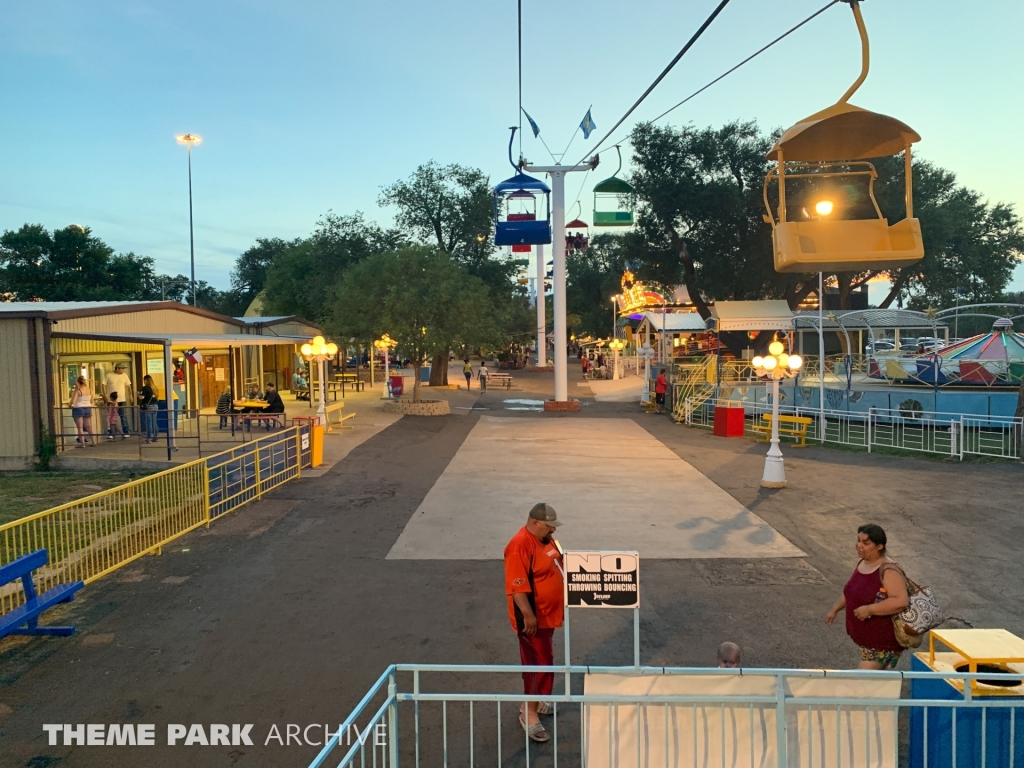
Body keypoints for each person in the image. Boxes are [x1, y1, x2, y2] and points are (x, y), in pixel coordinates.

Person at [504, 503, 565, 743]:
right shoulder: (519, 546)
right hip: (533, 621)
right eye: (549, 526)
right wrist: (529, 617)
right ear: (535, 523)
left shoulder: (545, 539)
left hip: (548, 615)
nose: (553, 531)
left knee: (546, 661)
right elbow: (517, 588)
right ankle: (527, 713)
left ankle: (537, 700)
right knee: (536, 665)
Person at [826, 524, 910, 670]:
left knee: (860, 684)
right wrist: (835, 609)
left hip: (881, 644)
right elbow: (851, 592)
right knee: (872, 684)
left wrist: (870, 609)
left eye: (866, 543)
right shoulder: (863, 563)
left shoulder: (889, 570)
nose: (859, 545)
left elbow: (901, 601)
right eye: (858, 540)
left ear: (879, 546)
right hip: (868, 642)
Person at [103, 363, 133, 436]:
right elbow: (103, 384)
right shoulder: (109, 375)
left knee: (123, 415)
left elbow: (128, 386)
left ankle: (126, 431)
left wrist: (131, 395)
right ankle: (111, 431)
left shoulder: (124, 375)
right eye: (122, 368)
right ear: (117, 368)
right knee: (110, 416)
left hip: (122, 399)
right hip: (111, 400)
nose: (123, 370)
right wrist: (105, 395)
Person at [70, 376, 96, 447]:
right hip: (87, 408)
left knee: (80, 427)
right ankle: (93, 441)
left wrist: (70, 405)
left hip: (78, 408)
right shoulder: (90, 390)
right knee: (89, 426)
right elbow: (91, 401)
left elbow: (73, 401)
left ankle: (82, 443)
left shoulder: (78, 390)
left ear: (78, 382)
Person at [138, 375, 159, 443]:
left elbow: (142, 397)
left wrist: (137, 394)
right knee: (154, 422)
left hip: (148, 407)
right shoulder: (154, 388)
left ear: (146, 380)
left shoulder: (145, 388)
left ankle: (148, 438)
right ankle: (155, 437)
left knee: (148, 423)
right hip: (155, 406)